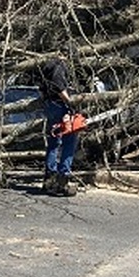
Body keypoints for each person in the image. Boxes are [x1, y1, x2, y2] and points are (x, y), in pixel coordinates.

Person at [38, 54, 79, 196]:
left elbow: (41, 89)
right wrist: (70, 103)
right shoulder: (59, 66)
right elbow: (59, 85)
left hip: (50, 106)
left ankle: (49, 177)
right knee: (70, 140)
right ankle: (63, 178)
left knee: (53, 141)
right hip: (60, 106)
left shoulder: (46, 67)